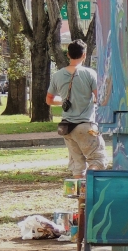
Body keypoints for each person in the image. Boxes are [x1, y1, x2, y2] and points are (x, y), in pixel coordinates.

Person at [46, 40, 108, 178]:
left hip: (67, 128)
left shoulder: (57, 75)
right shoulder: (90, 74)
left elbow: (49, 100)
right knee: (98, 160)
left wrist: (64, 101)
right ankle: (88, 187)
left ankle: (80, 198)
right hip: (86, 125)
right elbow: (100, 98)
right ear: (84, 55)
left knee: (78, 166)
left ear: (68, 54)